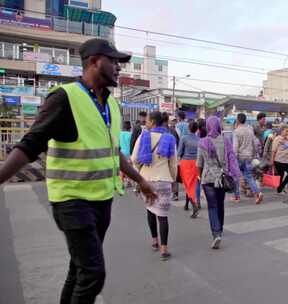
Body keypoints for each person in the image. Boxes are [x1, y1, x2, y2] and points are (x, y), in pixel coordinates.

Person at [0, 38, 157, 303]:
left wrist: (140, 179)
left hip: (101, 200)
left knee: (79, 270)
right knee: (93, 274)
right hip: (72, 201)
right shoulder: (64, 98)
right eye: (114, 61)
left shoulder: (111, 105)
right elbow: (30, 144)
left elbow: (112, 152)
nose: (120, 68)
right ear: (94, 61)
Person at [132, 111, 177, 261]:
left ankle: (154, 241)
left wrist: (139, 171)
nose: (146, 123)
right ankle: (164, 249)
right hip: (164, 180)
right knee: (162, 216)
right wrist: (172, 179)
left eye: (148, 121)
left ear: (152, 121)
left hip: (147, 180)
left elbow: (134, 158)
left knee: (150, 210)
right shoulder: (170, 138)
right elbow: (173, 163)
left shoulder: (144, 136)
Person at [197, 116, 241, 249]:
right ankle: (220, 229)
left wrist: (200, 177)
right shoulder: (225, 140)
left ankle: (216, 233)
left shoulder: (202, 142)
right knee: (220, 204)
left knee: (212, 206)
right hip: (222, 178)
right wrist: (235, 174)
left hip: (208, 178)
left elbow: (199, 163)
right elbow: (231, 158)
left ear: (207, 126)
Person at [233, 113, 264, 204]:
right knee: (249, 177)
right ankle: (258, 193)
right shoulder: (250, 130)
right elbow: (255, 143)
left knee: (235, 176)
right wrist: (253, 155)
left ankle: (237, 196)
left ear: (238, 120)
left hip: (240, 157)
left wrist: (233, 159)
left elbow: (235, 147)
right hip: (249, 157)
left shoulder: (237, 131)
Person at [179, 121, 201, 217]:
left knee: (187, 185)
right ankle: (187, 204)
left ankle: (194, 205)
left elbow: (179, 152)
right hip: (196, 163)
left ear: (188, 128)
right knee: (192, 184)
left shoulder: (184, 138)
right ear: (197, 129)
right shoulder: (199, 139)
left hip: (186, 163)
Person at [272, 127, 288, 193]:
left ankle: (281, 186)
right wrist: (272, 161)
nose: (287, 133)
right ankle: (279, 189)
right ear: (282, 131)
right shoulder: (277, 139)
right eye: (286, 131)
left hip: (287, 160)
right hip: (279, 160)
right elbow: (274, 150)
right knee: (281, 175)